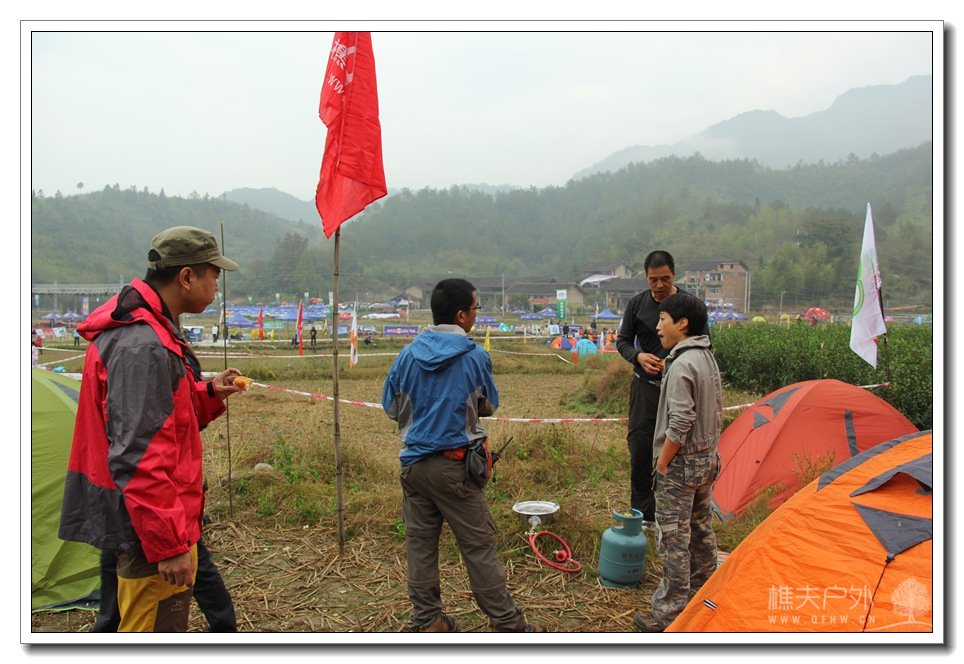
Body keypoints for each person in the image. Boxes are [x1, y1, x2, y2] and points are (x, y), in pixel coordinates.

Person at [58, 226, 244, 632]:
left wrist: (208, 392)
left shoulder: (149, 329)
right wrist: (169, 545)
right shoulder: (142, 346)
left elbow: (158, 415)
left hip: (137, 513)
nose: (217, 287)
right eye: (214, 275)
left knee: (120, 620)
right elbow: (137, 453)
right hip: (146, 522)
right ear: (186, 277)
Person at [382, 278, 546, 633]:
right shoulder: (474, 357)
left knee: (420, 547)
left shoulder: (406, 355)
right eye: (475, 309)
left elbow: (392, 408)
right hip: (456, 469)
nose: (476, 315)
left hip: (414, 467)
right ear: (460, 315)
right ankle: (508, 626)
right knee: (478, 547)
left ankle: (428, 622)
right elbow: (488, 404)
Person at [634, 292, 722, 633]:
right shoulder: (705, 357)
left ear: (682, 323)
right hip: (706, 460)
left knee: (673, 539)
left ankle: (669, 614)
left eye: (663, 320)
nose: (658, 328)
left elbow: (682, 420)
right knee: (700, 531)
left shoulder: (683, 363)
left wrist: (663, 463)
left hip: (681, 465)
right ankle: (705, 597)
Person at [616, 250, 706, 524]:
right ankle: (643, 515)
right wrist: (638, 357)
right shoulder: (636, 305)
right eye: (653, 279)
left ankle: (677, 512)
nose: (659, 285)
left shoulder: (689, 305)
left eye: (665, 279)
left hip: (679, 389)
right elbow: (623, 341)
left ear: (674, 275)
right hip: (645, 389)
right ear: (646, 277)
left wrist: (674, 364)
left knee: (679, 448)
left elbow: (704, 343)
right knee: (640, 450)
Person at [93, 538, 237, 632]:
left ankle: (225, 628)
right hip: (121, 522)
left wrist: (171, 547)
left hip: (156, 531)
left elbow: (156, 501)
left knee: (196, 567)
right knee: (111, 565)